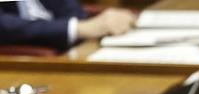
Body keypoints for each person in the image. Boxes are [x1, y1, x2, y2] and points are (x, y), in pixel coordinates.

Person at [0, 0, 135, 51]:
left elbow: (73, 12)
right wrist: (77, 28)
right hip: (33, 59)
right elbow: (6, 26)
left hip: (75, 50)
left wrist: (100, 23)